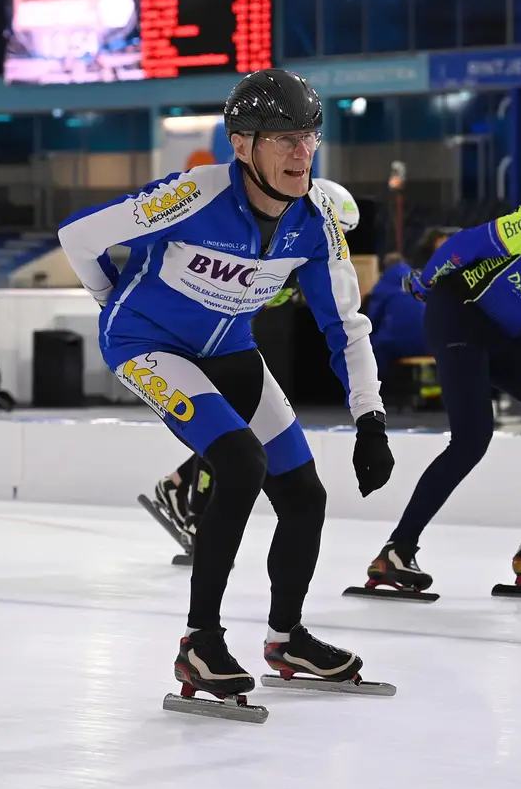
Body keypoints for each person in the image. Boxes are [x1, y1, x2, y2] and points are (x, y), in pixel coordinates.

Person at [58, 68, 394, 708]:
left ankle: (285, 637)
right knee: (241, 463)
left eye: (309, 138)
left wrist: (370, 418)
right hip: (149, 345)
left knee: (304, 495)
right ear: (242, 145)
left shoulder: (317, 222)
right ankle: (200, 642)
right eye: (285, 139)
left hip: (231, 350)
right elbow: (79, 235)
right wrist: (110, 304)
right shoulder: (195, 194)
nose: (302, 153)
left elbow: (345, 326)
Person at [148, 178, 362, 551]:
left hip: (237, 342)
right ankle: (193, 504)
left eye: (341, 235)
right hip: (206, 343)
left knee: (238, 429)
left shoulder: (306, 257)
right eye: (336, 232)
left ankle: (178, 485)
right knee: (229, 431)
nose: (334, 241)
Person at [364, 198, 521, 596]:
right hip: (461, 311)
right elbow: (464, 246)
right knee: (471, 440)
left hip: (510, 335)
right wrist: (425, 283)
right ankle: (396, 551)